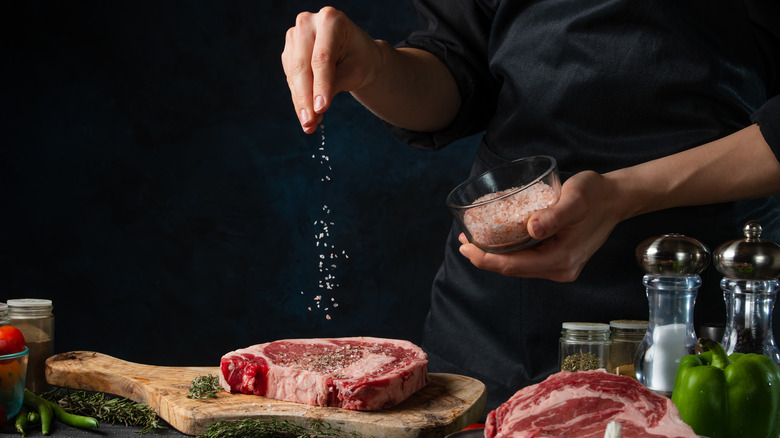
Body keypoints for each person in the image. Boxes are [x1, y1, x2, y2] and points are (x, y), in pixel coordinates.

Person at [282, 0, 780, 413]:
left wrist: (624, 194)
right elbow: (457, 67)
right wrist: (376, 66)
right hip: (499, 323)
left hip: (702, 305)